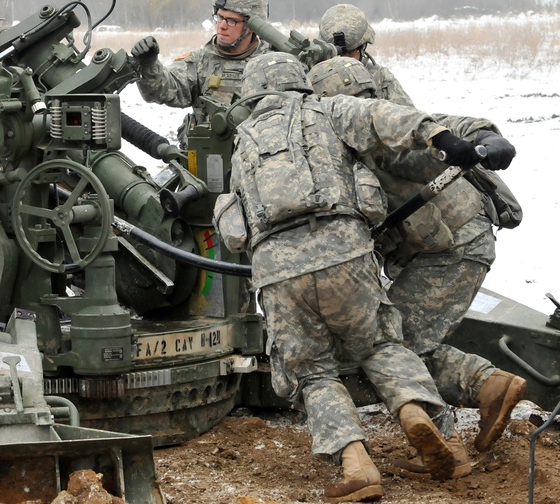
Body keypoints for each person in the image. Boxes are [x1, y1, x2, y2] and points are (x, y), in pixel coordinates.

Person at [213, 52, 514, 501]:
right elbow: (383, 117)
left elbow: (235, 230)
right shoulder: (328, 110)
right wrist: (442, 136)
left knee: (312, 373)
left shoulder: (243, 143)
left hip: (276, 270)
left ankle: (356, 463)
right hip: (344, 254)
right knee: (382, 345)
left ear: (250, 95)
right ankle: (421, 417)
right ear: (301, 85)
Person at [307, 56, 527, 476]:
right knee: (401, 345)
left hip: (453, 250)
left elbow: (446, 124)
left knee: (389, 350)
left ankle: (455, 433)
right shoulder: (361, 135)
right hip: (443, 250)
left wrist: (486, 134)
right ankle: (488, 387)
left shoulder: (381, 126)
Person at [129, 0, 273, 145]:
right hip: (208, 161)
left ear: (252, 26)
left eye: (232, 21)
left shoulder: (275, 64)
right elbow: (162, 90)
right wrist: (149, 65)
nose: (222, 26)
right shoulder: (200, 62)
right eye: (219, 17)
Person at [318, 3, 414, 106]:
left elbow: (407, 116)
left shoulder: (380, 78)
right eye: (338, 54)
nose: (344, 61)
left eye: (350, 53)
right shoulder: (311, 79)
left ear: (363, 47)